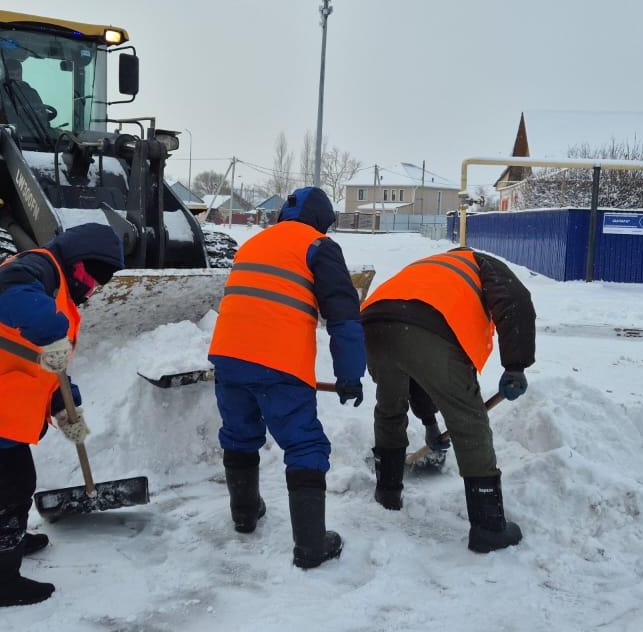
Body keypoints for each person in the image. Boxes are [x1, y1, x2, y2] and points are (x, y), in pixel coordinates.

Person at [0, 224, 123, 608]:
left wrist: (63, 407)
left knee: (2, 484)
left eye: (99, 283)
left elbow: (46, 366)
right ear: (77, 259)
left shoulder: (60, 290)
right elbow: (12, 297)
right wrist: (51, 327)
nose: (92, 287)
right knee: (13, 487)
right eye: (91, 276)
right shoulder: (36, 267)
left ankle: (5, 540)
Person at [207, 186, 365, 569]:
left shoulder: (253, 244)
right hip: (278, 363)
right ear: (323, 221)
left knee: (239, 432)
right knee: (304, 444)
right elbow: (343, 316)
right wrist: (349, 375)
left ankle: (245, 513)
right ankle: (311, 546)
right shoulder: (318, 246)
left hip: (228, 355)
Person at [361, 247, 536, 553]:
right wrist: (515, 366)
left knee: (390, 407)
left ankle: (387, 493)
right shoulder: (483, 263)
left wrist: (429, 422)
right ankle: (488, 527)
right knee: (469, 421)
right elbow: (517, 302)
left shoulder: (431, 267)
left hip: (374, 323)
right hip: (429, 324)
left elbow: (416, 371)